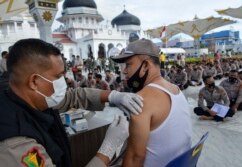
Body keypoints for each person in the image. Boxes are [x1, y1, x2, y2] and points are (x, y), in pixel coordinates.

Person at [0, 38, 144, 167]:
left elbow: (72, 97)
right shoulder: (16, 144)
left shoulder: (29, 95)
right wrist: (107, 149)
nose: (64, 82)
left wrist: (113, 96)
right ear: (34, 81)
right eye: (58, 77)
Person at [111, 39, 192, 167]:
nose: (124, 71)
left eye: (128, 65)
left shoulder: (141, 100)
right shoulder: (176, 90)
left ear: (146, 66)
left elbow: (135, 159)